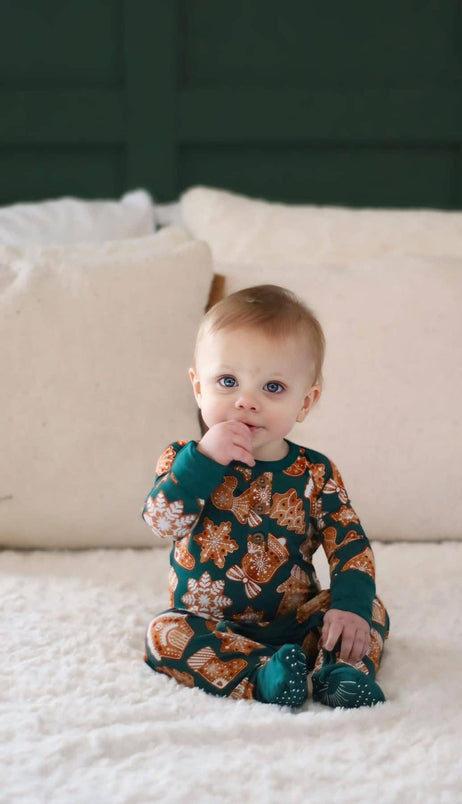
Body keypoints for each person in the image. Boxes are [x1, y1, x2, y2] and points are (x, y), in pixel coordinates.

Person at [142, 285, 389, 708]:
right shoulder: (182, 460)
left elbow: (351, 547)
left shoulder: (315, 473)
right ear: (198, 388)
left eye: (272, 387)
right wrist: (202, 462)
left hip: (296, 623)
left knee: (368, 609)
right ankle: (262, 677)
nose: (246, 402)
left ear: (305, 402)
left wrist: (350, 608)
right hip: (209, 624)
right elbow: (162, 522)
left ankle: (339, 672)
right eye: (227, 382)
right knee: (163, 634)